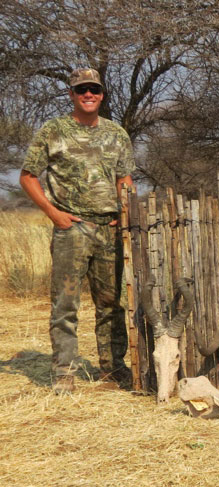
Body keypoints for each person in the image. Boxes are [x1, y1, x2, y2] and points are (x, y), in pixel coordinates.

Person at [19, 68, 136, 395]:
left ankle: (112, 370)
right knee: (65, 306)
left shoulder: (117, 134)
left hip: (108, 230)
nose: (88, 94)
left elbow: (124, 180)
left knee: (113, 304)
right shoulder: (53, 131)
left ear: (101, 95)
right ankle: (64, 376)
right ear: (71, 94)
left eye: (94, 90)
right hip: (71, 230)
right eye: (81, 89)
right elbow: (28, 177)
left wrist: (123, 214)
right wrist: (55, 214)